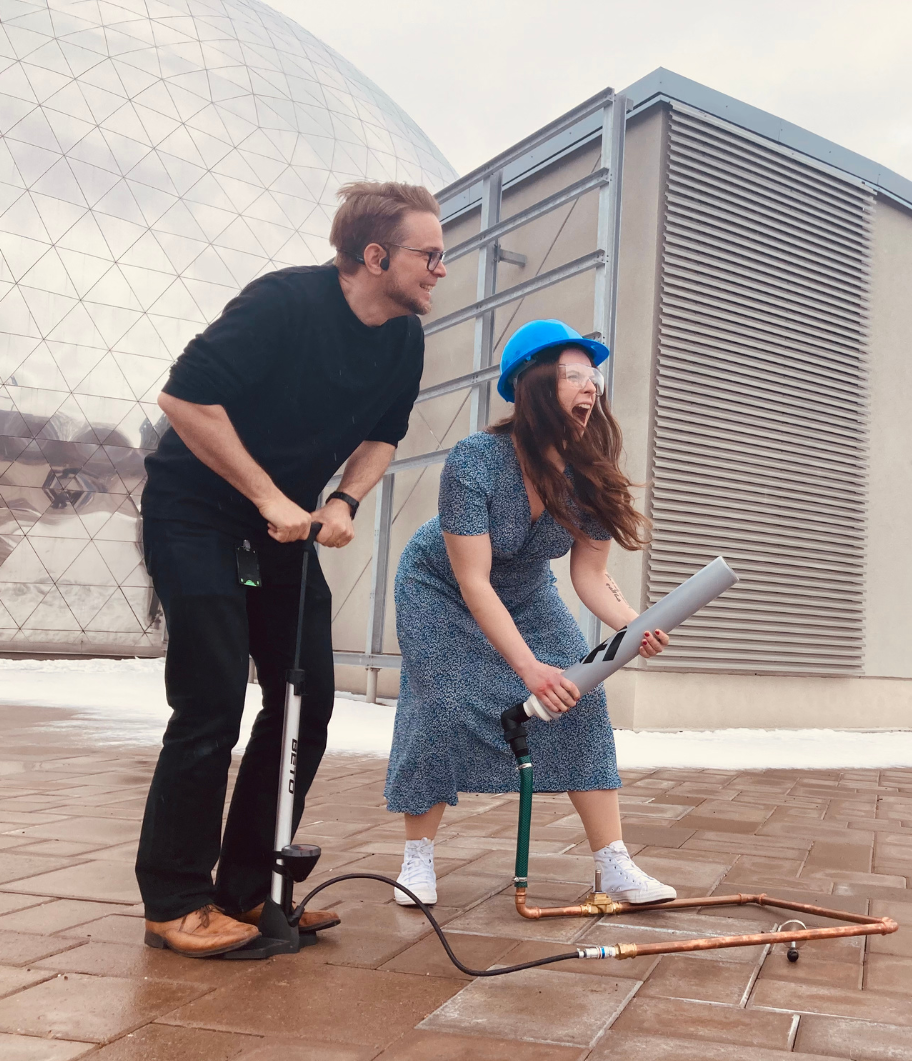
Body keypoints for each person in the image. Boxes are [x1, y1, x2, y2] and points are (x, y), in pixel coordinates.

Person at [135, 182, 446, 957]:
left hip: (286, 526)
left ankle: (249, 892)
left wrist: (341, 500)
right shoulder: (282, 304)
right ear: (374, 256)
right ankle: (174, 902)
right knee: (210, 701)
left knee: (305, 702)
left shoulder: (404, 338)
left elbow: (384, 434)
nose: (441, 269)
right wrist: (270, 495)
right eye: (429, 254)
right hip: (194, 513)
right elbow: (186, 399)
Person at [383, 319, 677, 907]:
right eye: (573, 375)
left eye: (592, 375)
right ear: (531, 386)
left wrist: (632, 623)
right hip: (439, 588)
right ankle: (416, 859)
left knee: (581, 693)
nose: (589, 387)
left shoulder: (590, 471)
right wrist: (527, 667)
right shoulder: (474, 460)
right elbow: (472, 579)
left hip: (524, 589)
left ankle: (613, 864)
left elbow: (589, 575)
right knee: (442, 703)